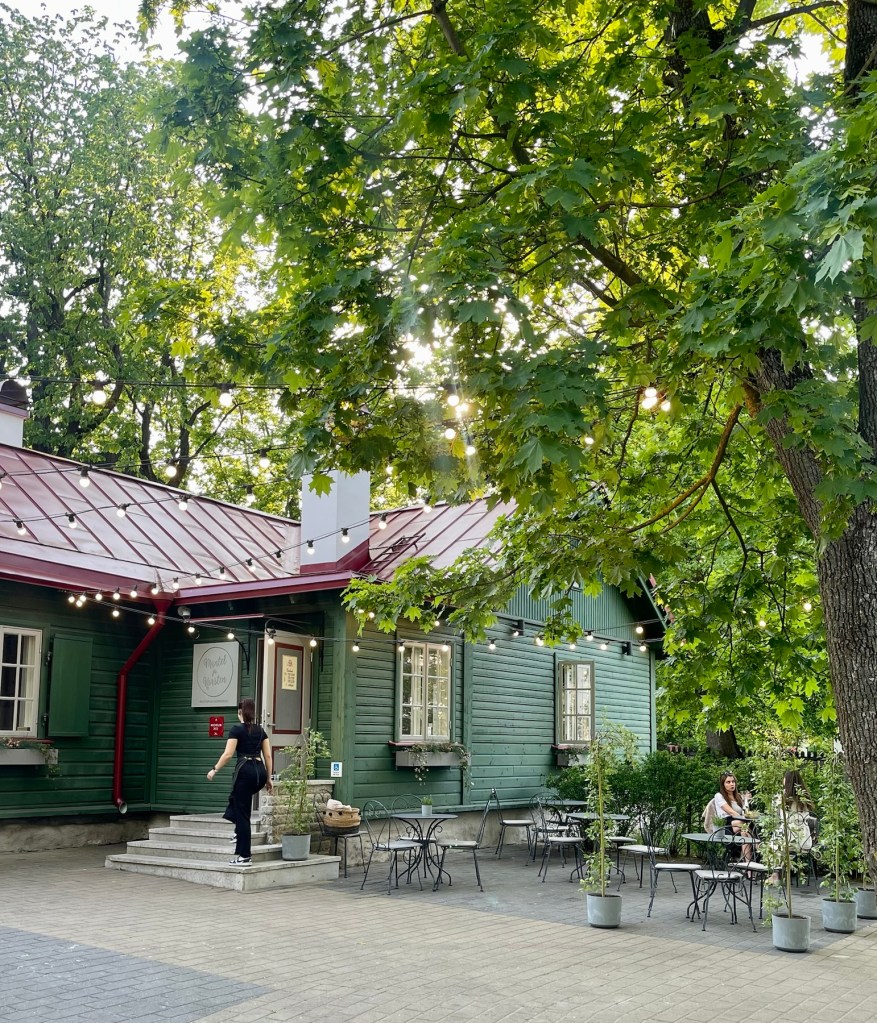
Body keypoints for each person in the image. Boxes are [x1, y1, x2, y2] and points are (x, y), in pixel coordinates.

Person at [207, 698, 273, 864]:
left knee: (242, 814)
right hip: (260, 773)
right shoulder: (261, 730)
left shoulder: (236, 729)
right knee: (236, 800)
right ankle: (239, 831)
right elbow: (268, 756)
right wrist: (269, 778)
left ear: (240, 712)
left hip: (245, 772)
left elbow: (228, 755)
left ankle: (245, 856)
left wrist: (214, 769)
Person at [713, 771, 754, 860]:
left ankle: (747, 864)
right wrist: (744, 818)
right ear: (723, 784)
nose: (732, 784)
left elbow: (745, 812)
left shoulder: (738, 797)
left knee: (744, 833)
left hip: (739, 824)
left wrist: (746, 800)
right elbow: (732, 812)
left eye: (733, 781)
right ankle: (758, 845)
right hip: (726, 825)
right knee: (746, 825)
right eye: (728, 782)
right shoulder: (719, 796)